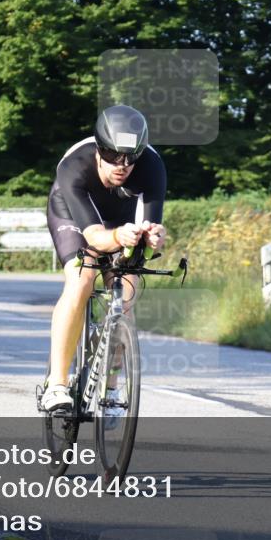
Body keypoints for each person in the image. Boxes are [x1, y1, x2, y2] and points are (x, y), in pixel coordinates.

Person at [40, 105, 168, 411]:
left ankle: (110, 387)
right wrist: (117, 237)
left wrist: (153, 240)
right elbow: (95, 237)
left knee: (126, 295)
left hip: (121, 223)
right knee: (81, 279)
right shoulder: (75, 165)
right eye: (113, 156)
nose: (122, 166)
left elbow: (150, 234)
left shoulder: (152, 166)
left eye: (130, 158)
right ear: (99, 150)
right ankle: (56, 385)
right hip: (74, 216)